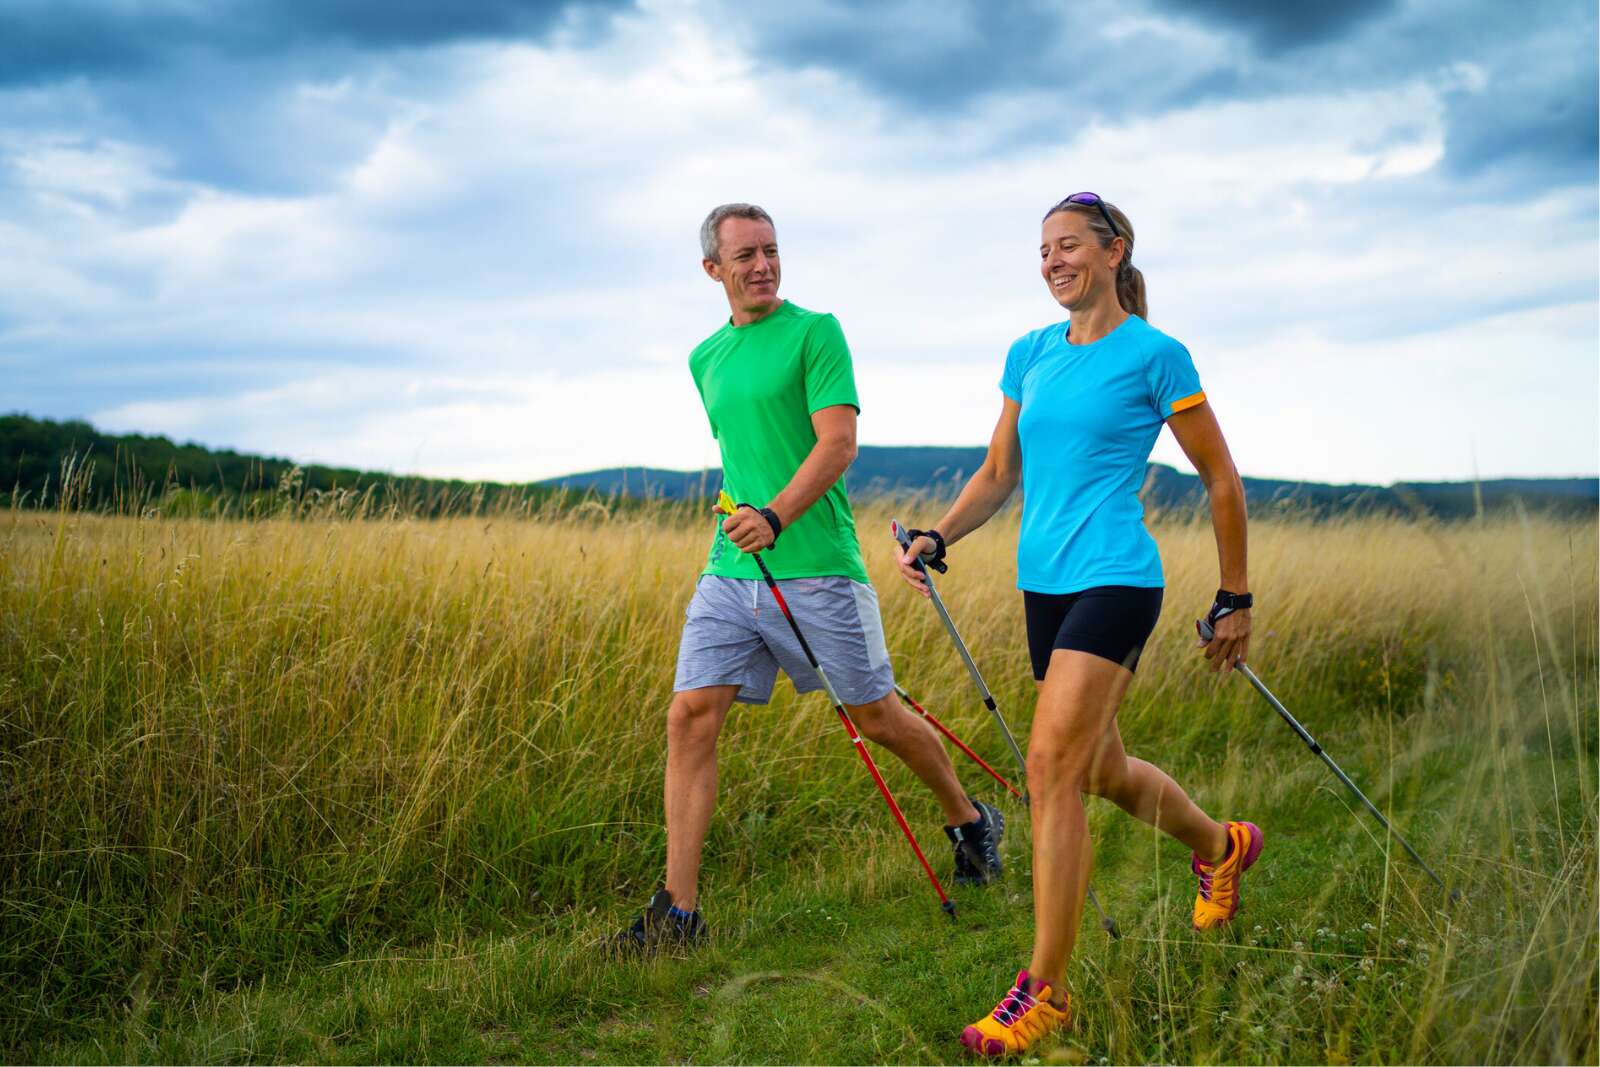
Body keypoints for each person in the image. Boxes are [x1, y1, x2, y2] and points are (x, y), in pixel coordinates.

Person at [895, 193, 1261, 1057]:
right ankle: (1221, 845)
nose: (1053, 260)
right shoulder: (1029, 353)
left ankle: (1047, 991)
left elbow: (1220, 477)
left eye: (1069, 245)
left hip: (1117, 578)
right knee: (1099, 768)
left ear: (1113, 250)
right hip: (1045, 587)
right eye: (1044, 249)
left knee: (1050, 766)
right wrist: (939, 534)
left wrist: (1235, 595)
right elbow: (998, 471)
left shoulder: (1156, 355)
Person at [612, 203, 1005, 954]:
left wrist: (776, 515)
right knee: (689, 716)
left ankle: (969, 820)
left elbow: (838, 443)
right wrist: (747, 516)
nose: (763, 265)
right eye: (745, 255)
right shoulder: (704, 358)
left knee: (878, 717)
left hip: (819, 566)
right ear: (713, 269)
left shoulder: (816, 332)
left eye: (771, 250)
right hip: (732, 568)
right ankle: (679, 915)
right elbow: (746, 453)